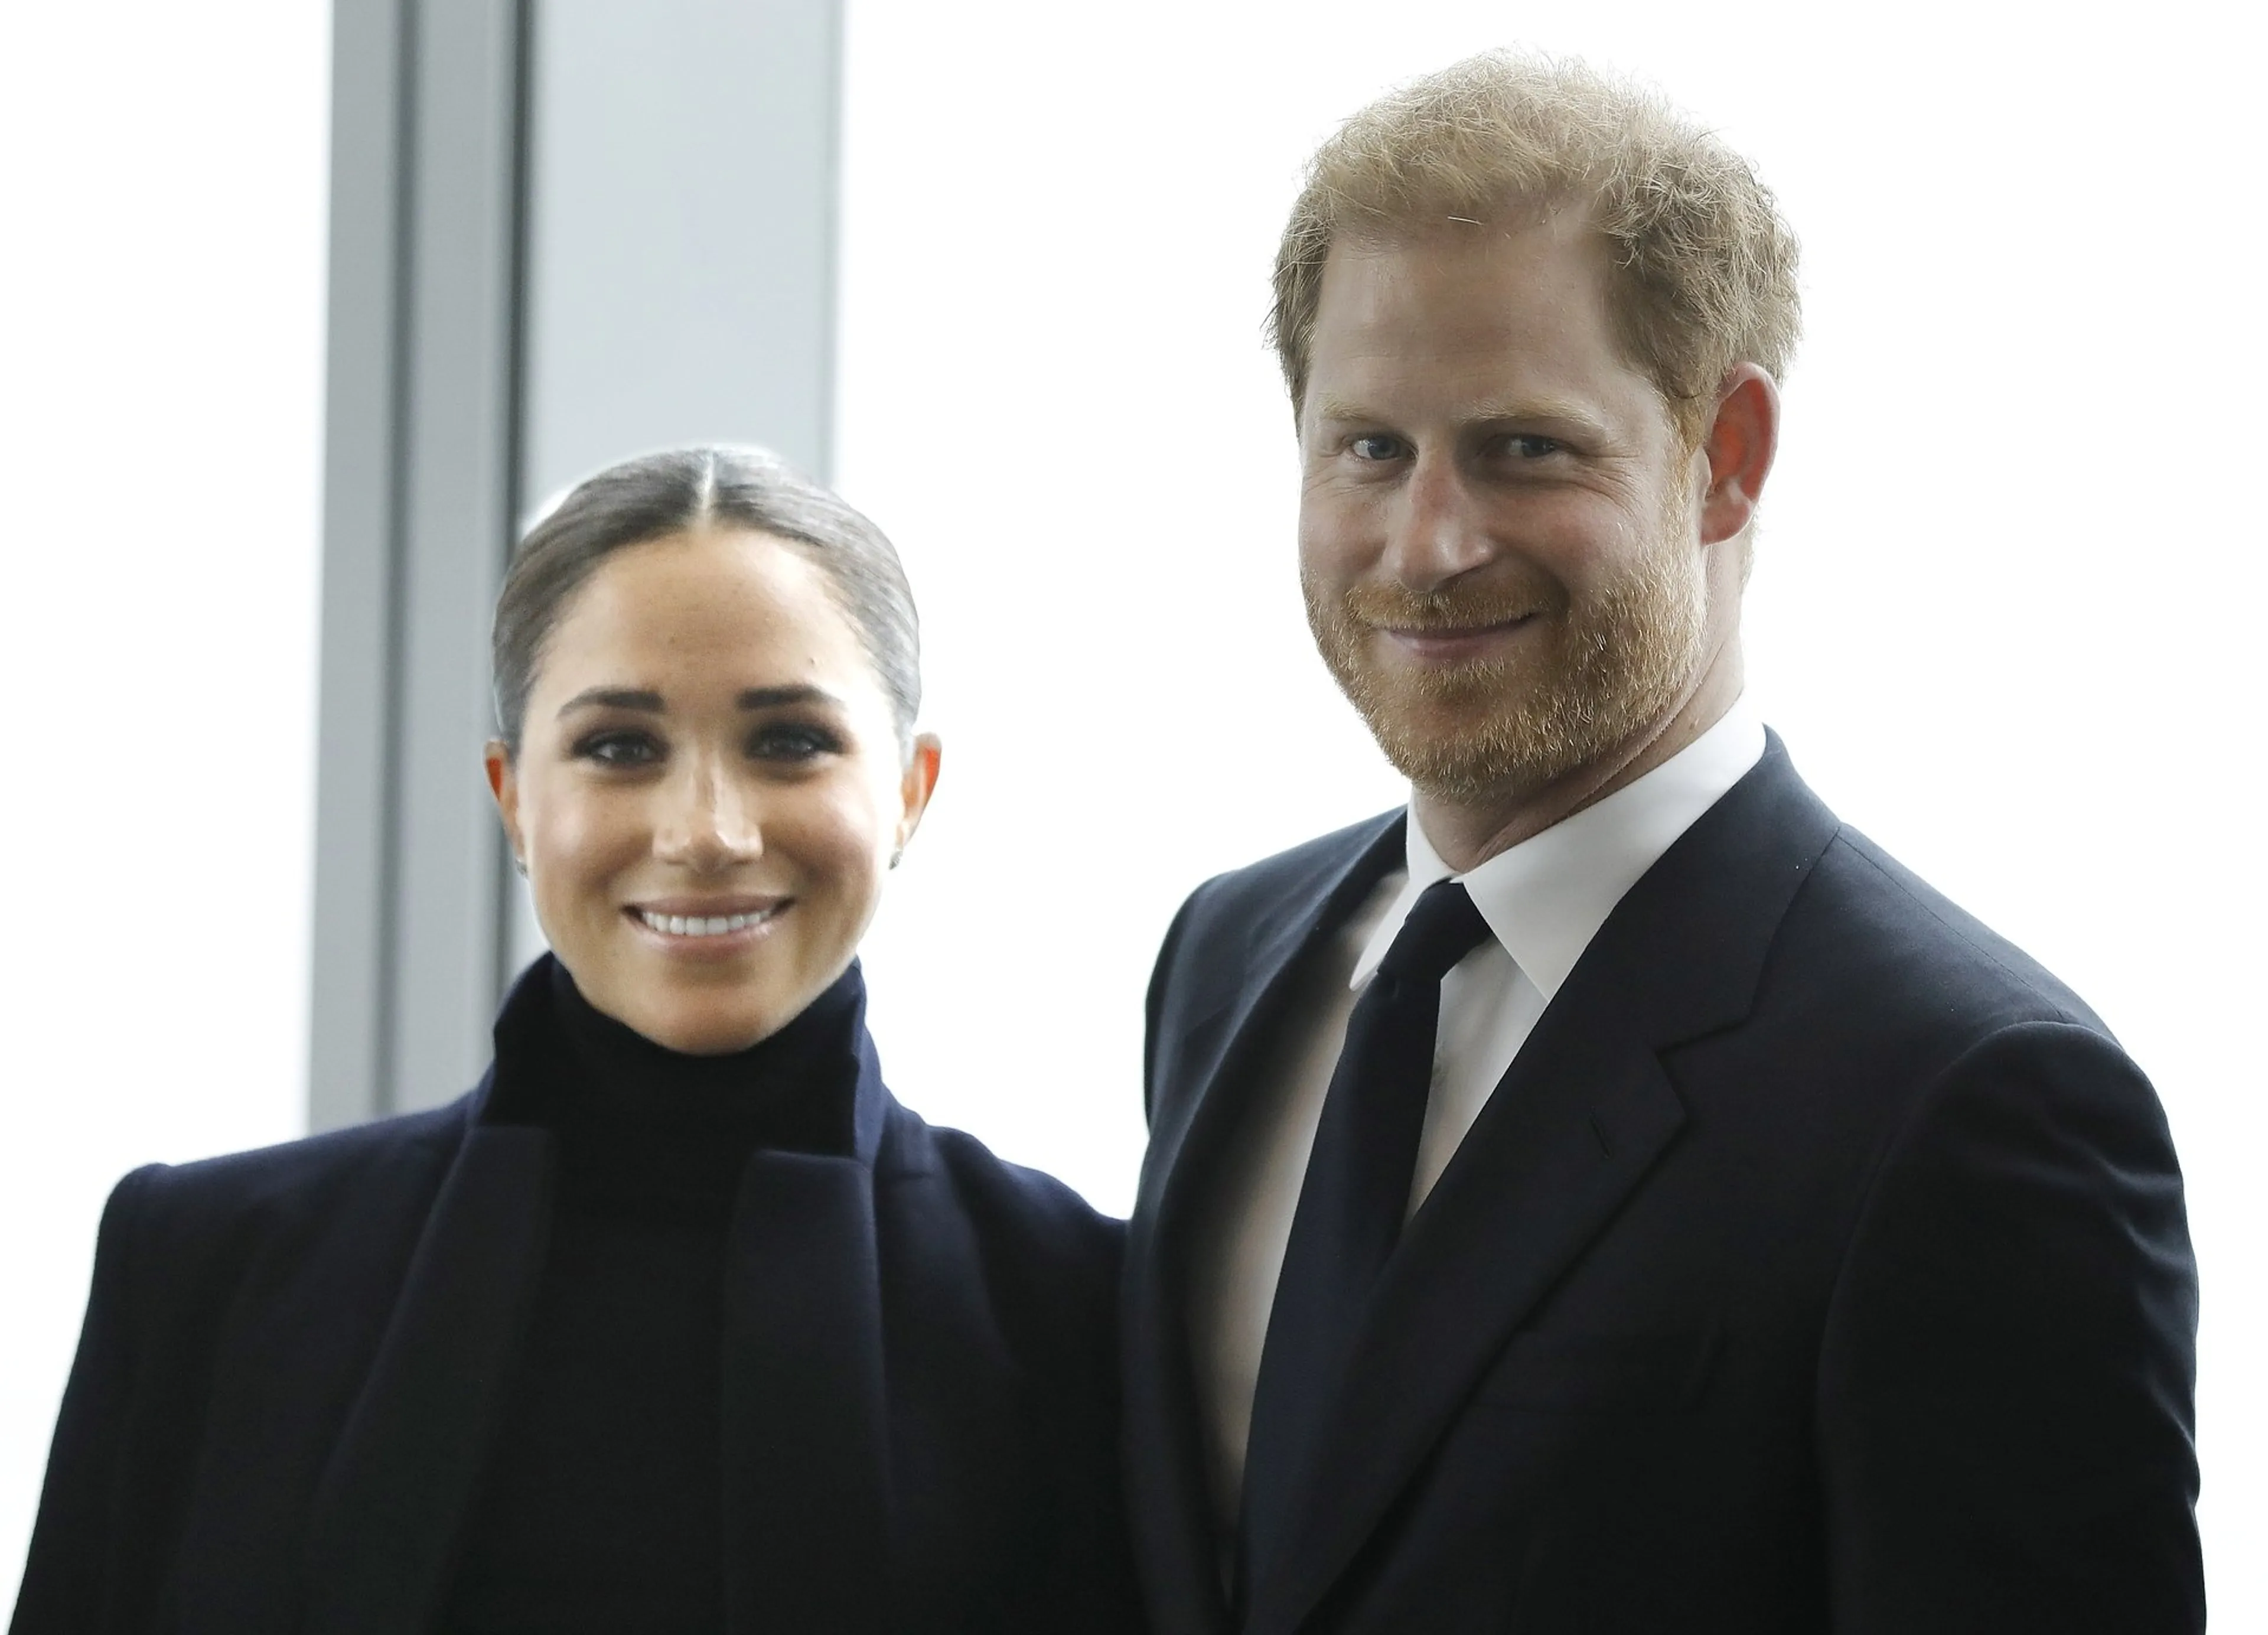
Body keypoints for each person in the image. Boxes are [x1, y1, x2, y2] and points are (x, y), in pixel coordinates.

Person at [1121, 53, 2201, 1635]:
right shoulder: (1230, 955)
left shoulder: (1969, 1098)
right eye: (1369, 447)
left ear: (1729, 456)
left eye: (1525, 448)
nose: (1426, 545)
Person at [13, 447, 1140, 1634]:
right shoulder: (205, 1268)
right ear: (513, 797)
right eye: (620, 747)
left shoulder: (1083, 1308)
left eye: (789, 740)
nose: (706, 832)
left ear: (910, 790)